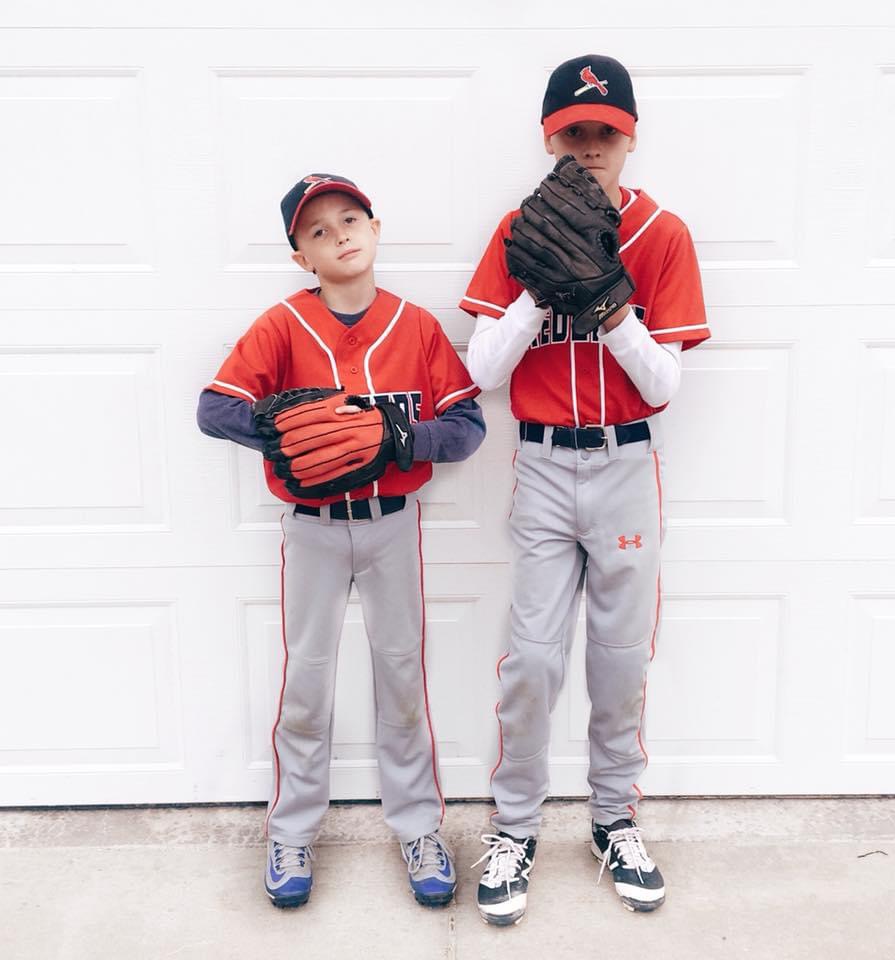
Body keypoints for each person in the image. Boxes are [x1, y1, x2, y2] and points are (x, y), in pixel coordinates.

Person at [461, 55, 710, 925]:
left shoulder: (663, 233)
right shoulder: (516, 230)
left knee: (620, 658)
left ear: (630, 137)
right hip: (541, 462)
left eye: (607, 131)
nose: (591, 145)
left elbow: (663, 385)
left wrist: (608, 302)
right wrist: (538, 286)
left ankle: (613, 819)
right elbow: (484, 369)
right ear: (550, 136)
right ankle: (515, 828)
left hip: (623, 462)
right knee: (531, 657)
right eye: (575, 131)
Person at [197, 173, 485, 909]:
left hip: (390, 525)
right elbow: (213, 407)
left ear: (376, 226)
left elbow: (466, 427)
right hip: (314, 531)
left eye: (350, 218)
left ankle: (418, 826)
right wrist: (277, 428)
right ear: (301, 257)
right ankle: (291, 833)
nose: (340, 235)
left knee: (400, 681)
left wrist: (398, 438)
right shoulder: (281, 325)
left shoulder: (415, 326)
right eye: (318, 231)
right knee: (306, 686)